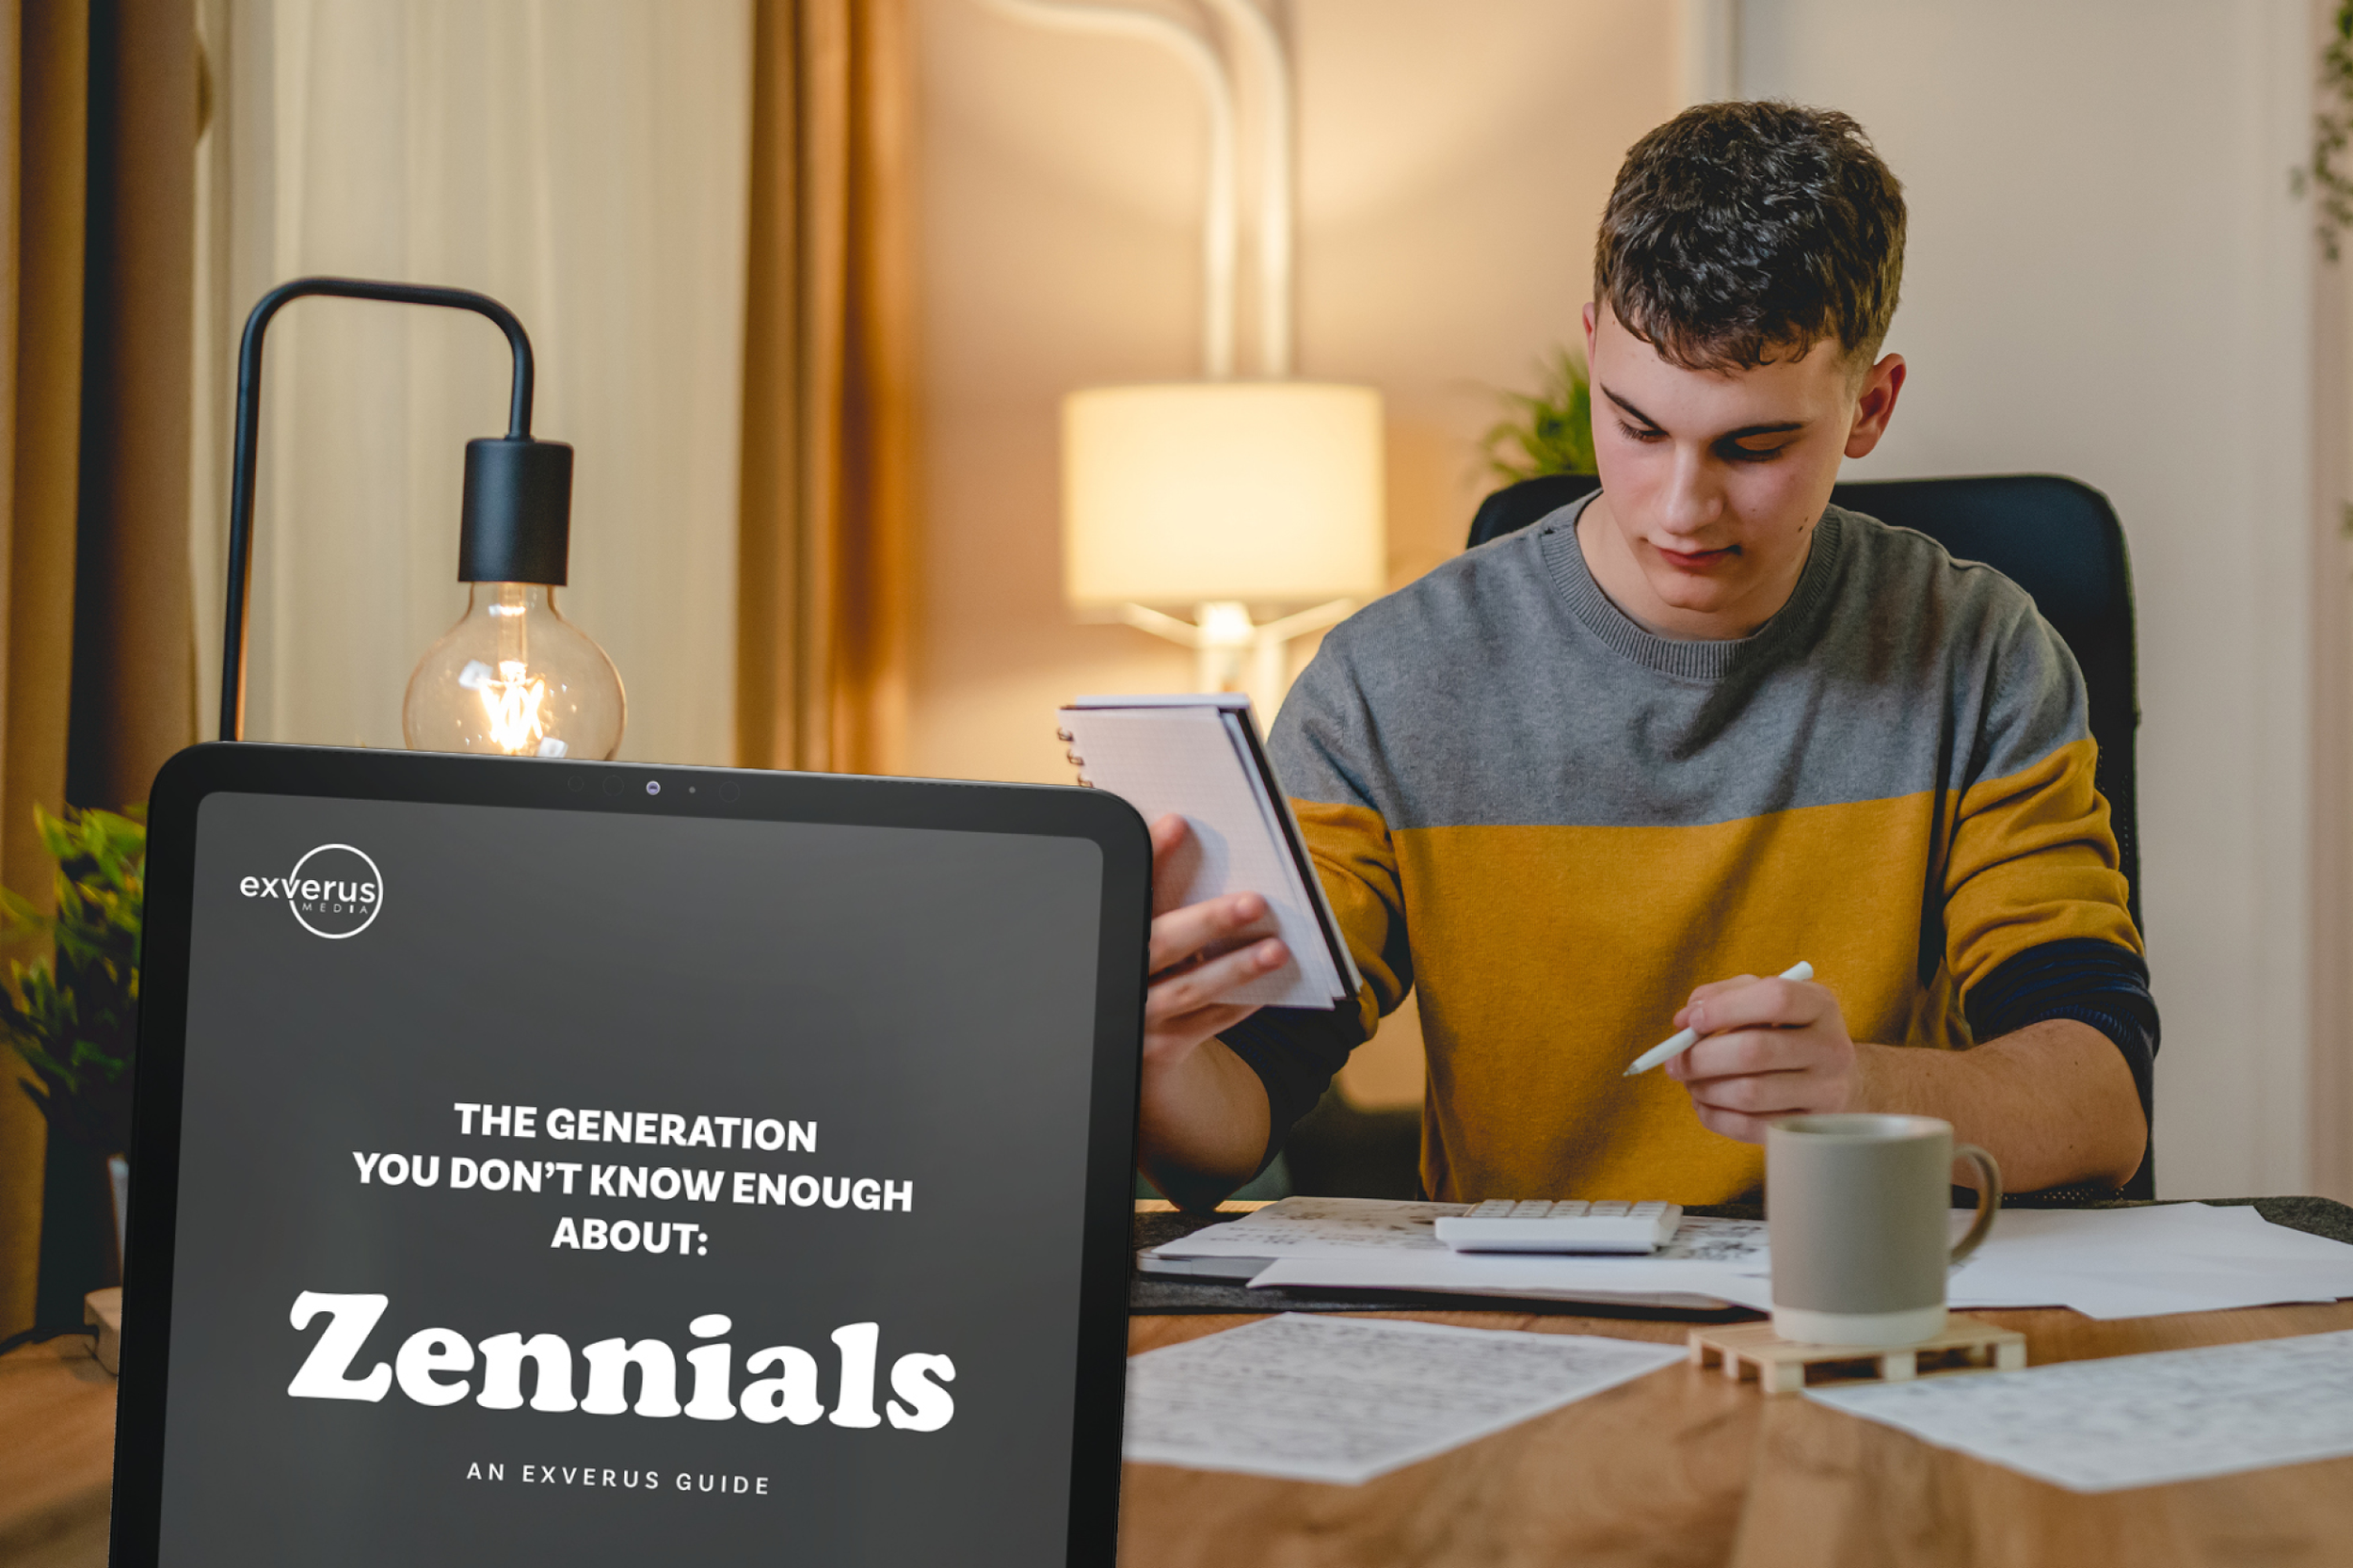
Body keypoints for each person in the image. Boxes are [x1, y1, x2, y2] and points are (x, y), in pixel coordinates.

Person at [1133, 100, 2156, 1211]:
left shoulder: (1979, 655)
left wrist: (1855, 1086)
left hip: (1861, 1300)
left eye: (1752, 445)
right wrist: (1156, 1052)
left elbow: (2101, 1104)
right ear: (1590, 351)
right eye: (1634, 425)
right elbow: (1236, 1119)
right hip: (1524, 1328)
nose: (1681, 507)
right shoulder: (1389, 685)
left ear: (1869, 405)